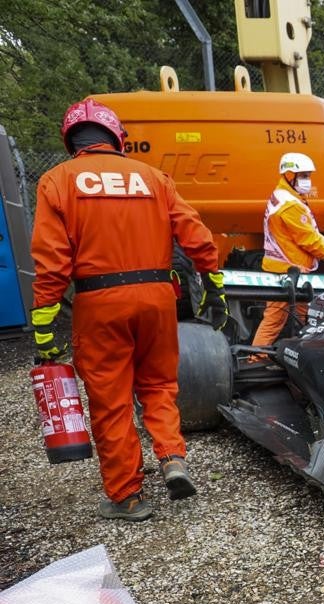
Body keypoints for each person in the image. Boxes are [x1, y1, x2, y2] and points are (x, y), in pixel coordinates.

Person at [30, 97, 224, 522]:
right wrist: (213, 285)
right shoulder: (154, 177)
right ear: (116, 137)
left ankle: (127, 497)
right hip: (157, 299)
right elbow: (196, 236)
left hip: (98, 304)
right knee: (159, 385)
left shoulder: (56, 181)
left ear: (72, 141)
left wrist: (44, 326)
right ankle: (172, 457)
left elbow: (51, 263)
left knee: (111, 400)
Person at [251, 152, 324, 347]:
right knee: (274, 320)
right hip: (285, 271)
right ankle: (255, 359)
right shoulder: (290, 205)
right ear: (290, 175)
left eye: (308, 175)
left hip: (292, 270)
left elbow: (308, 231)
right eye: (304, 176)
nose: (308, 181)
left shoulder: (285, 196)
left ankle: (297, 352)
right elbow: (309, 240)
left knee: (301, 317)